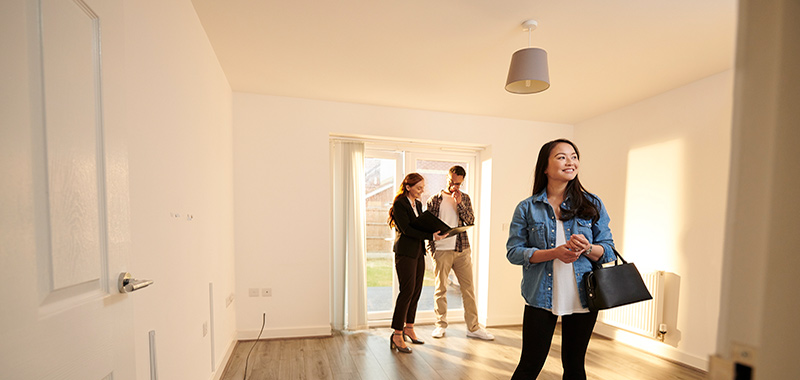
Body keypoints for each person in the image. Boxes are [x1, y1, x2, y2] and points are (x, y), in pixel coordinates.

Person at [506, 139, 616, 379]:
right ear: (545, 167)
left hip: (584, 295)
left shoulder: (592, 203)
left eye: (574, 156)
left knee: (575, 367)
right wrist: (554, 253)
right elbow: (514, 252)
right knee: (529, 366)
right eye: (562, 157)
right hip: (540, 297)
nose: (571, 162)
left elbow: (607, 250)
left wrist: (587, 248)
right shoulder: (527, 208)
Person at [426, 165, 494, 340]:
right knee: (441, 289)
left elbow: (470, 220)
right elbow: (428, 226)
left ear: (462, 182)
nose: (454, 186)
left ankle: (473, 328)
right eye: (451, 182)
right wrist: (431, 248)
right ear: (447, 178)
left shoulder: (465, 198)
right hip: (441, 250)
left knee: (468, 289)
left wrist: (459, 203)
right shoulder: (435, 199)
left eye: (458, 183)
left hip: (462, 249)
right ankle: (440, 325)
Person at [387, 173, 445, 353]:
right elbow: (407, 230)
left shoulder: (417, 204)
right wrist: (430, 236)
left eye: (423, 187)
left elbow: (419, 225)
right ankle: (397, 334)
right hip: (405, 253)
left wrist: (436, 229)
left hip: (419, 251)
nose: (422, 191)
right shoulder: (400, 204)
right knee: (407, 292)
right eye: (418, 188)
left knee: (416, 291)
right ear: (408, 187)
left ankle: (409, 328)